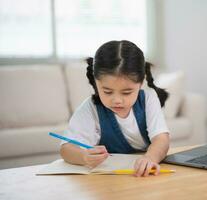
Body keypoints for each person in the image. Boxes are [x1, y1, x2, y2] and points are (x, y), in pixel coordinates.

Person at [60, 40, 170, 177]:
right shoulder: (91, 107)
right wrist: (83, 156)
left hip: (146, 175)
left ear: (141, 83)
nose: (117, 100)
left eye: (126, 92)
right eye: (107, 92)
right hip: (110, 179)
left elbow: (162, 139)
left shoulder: (149, 99)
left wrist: (150, 158)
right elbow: (66, 149)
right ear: (96, 82)